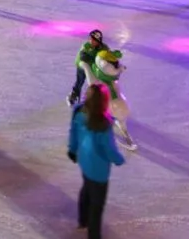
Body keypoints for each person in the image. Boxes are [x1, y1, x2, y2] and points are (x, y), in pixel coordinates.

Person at [68, 84, 126, 237]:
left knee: (86, 188)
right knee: (97, 205)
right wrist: (119, 159)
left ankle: (82, 220)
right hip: (99, 170)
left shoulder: (79, 112)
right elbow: (109, 150)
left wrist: (72, 150)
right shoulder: (102, 124)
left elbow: (73, 133)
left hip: (84, 161)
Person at [90, 50, 136, 150]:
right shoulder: (106, 69)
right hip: (110, 96)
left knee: (114, 111)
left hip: (112, 97)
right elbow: (112, 71)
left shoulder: (107, 69)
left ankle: (120, 129)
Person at [67, 29, 108, 106]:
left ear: (98, 41)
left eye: (93, 40)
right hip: (81, 66)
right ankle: (75, 94)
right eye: (90, 39)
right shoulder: (86, 46)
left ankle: (94, 97)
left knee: (96, 82)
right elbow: (83, 57)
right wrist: (94, 61)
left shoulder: (104, 48)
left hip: (93, 67)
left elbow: (108, 56)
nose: (91, 41)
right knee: (80, 81)